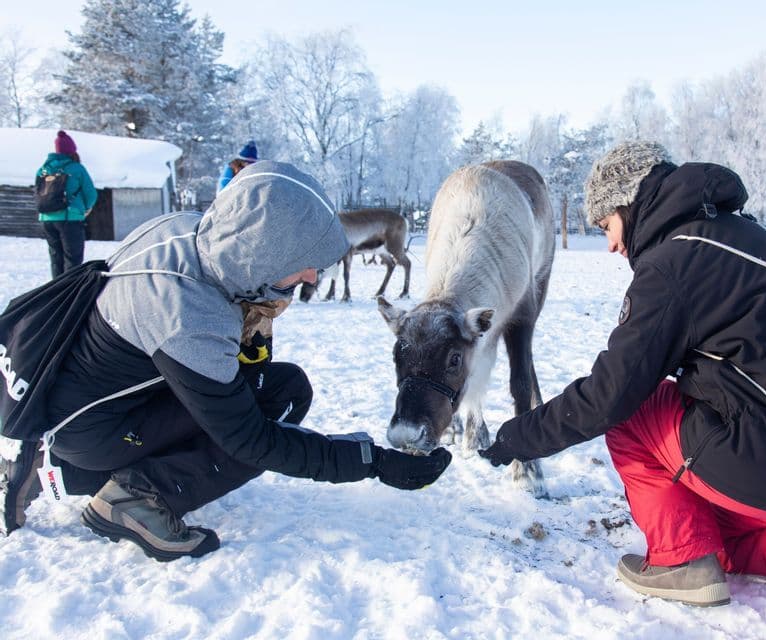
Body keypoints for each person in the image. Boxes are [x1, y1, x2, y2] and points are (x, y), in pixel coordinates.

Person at [479, 141, 766, 636]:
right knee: (716, 533)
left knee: (635, 415)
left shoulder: (672, 264)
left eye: (606, 226)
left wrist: (515, 439)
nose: (612, 245)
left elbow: (608, 396)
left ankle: (679, 560)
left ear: (628, 204)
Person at [0, 160, 451, 560]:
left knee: (284, 387)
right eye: (303, 262)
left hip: (85, 404)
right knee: (265, 411)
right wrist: (371, 461)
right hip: (95, 428)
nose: (312, 276)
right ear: (264, 251)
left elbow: (238, 375)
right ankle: (134, 498)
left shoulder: (189, 232)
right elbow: (250, 440)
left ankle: (53, 467)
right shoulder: (191, 312)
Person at [35, 130, 97, 278]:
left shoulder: (42, 170)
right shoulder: (76, 168)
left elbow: (38, 191)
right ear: (72, 151)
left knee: (56, 259)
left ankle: (57, 292)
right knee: (72, 259)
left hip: (47, 219)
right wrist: (86, 208)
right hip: (70, 218)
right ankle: (70, 294)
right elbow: (90, 193)